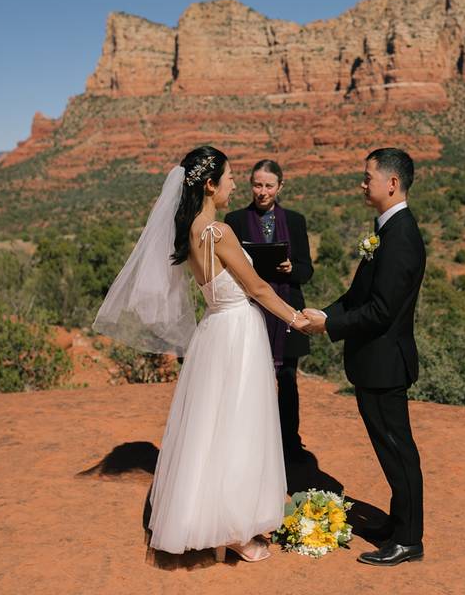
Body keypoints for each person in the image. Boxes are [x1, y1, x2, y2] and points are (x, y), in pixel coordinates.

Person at [93, 145, 310, 563]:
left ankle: (206, 519)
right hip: (237, 330)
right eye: (229, 177)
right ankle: (233, 529)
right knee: (237, 424)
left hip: (214, 329)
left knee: (212, 425)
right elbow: (258, 289)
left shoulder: (190, 230)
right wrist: (297, 319)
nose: (234, 183)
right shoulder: (218, 232)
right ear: (210, 185)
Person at [302, 148, 426, 567]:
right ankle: (398, 524)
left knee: (398, 450)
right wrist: (325, 314)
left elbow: (381, 311)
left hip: (385, 363)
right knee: (389, 450)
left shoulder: (402, 237)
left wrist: (329, 327)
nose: (362, 183)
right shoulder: (386, 232)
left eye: (368, 176)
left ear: (391, 183)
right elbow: (359, 297)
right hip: (373, 363)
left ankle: (409, 540)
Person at [224, 160, 313, 462]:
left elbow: (307, 270)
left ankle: (290, 444)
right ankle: (250, 441)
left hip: (288, 309)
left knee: (288, 379)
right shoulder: (234, 220)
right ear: (250, 184)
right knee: (250, 377)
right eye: (257, 185)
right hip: (252, 309)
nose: (262, 192)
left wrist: (290, 268)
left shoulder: (296, 221)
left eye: (269, 186)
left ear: (280, 187)